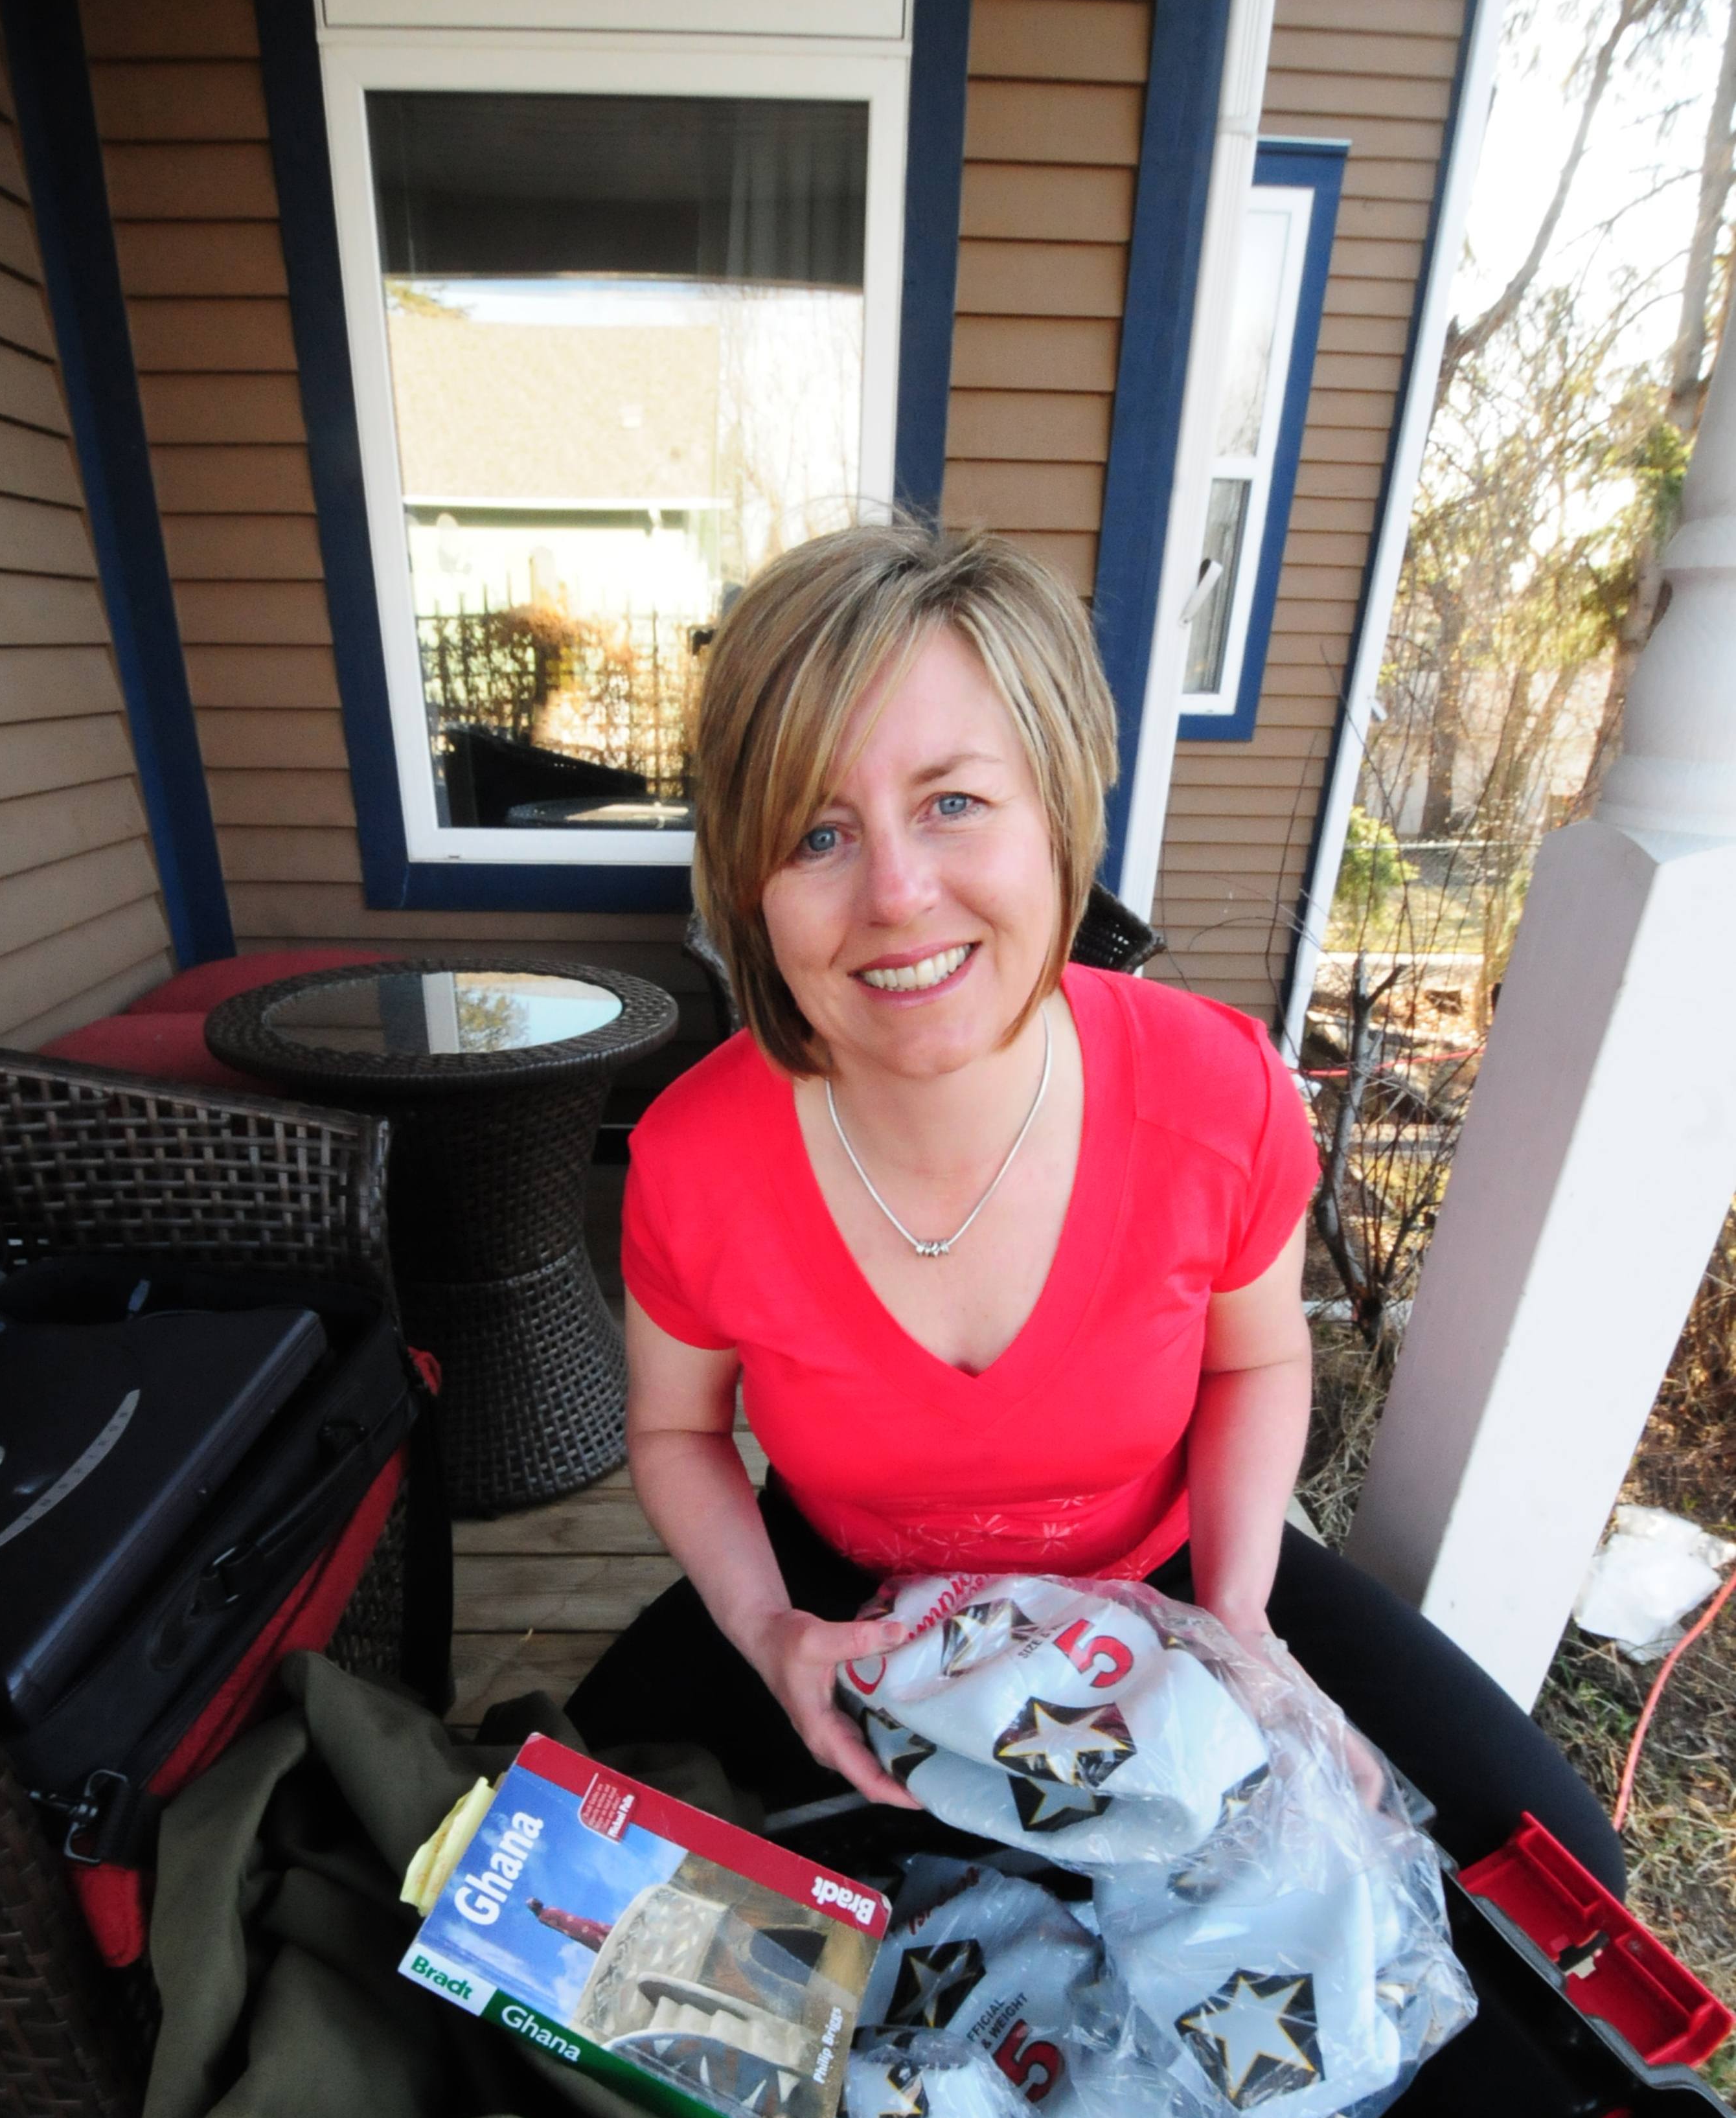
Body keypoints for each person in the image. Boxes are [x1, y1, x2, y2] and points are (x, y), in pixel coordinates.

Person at [565, 524, 1625, 1896]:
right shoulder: (694, 1154)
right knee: (557, 1878)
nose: (896, 895)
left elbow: (1255, 1354)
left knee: (1540, 1857)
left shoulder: (1215, 1090)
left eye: (952, 802)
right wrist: (765, 1626)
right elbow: (674, 1428)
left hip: (1169, 1579)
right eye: (818, 834)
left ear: (1056, 811)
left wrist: (1237, 1617)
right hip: (844, 1601)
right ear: (749, 890)